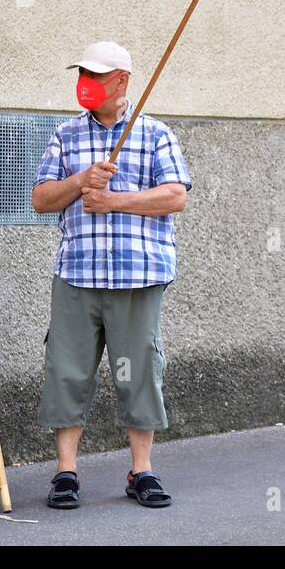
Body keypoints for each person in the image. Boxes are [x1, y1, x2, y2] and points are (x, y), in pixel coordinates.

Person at [32, 41, 192, 508]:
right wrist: (81, 181)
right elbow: (42, 198)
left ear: (121, 81)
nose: (85, 82)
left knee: (140, 370)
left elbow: (175, 196)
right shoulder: (65, 134)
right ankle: (66, 471)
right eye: (81, 73)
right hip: (77, 273)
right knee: (67, 370)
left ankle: (141, 470)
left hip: (139, 274)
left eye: (95, 75)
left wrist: (115, 200)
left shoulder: (155, 134)